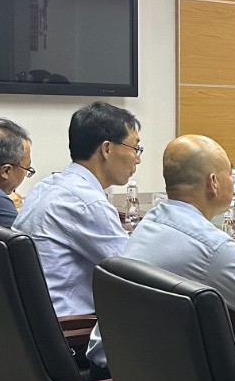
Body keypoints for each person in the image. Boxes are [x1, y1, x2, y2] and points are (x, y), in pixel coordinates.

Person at [86, 135, 235, 369]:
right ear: (213, 182)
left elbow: (192, 266)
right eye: (229, 175)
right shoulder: (214, 247)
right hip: (147, 379)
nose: (234, 183)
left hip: (117, 367)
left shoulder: (153, 219)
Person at [12, 101, 141, 317]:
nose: (138, 159)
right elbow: (135, 275)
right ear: (107, 149)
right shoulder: (87, 203)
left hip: (32, 320)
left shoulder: (45, 186)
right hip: (70, 328)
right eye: (135, 148)